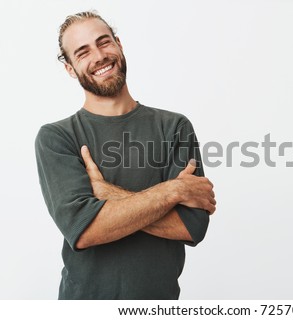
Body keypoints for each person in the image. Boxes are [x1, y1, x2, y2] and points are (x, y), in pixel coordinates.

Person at [34, 10, 216, 300]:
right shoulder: (57, 137)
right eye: (82, 52)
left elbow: (191, 226)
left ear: (118, 44)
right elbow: (84, 231)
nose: (99, 56)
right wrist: (174, 190)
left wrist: (106, 195)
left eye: (104, 42)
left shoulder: (174, 127)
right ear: (70, 68)